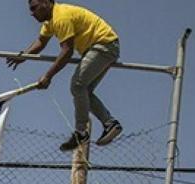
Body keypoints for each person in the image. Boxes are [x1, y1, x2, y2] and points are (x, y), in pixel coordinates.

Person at [7, 0, 123, 151]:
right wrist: (23, 56)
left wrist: (48, 76)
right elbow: (41, 42)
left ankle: (81, 132)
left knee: (77, 86)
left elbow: (67, 51)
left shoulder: (61, 17)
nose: (32, 13)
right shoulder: (50, 22)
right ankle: (110, 124)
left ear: (47, 3)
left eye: (34, 8)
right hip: (101, 47)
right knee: (84, 91)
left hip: (103, 45)